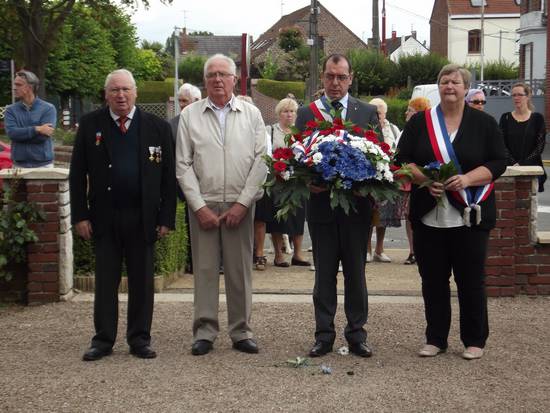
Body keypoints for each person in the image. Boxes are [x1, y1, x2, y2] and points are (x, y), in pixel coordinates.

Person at [397, 64, 507, 360]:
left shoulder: (483, 123)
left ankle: (474, 340)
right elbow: (402, 160)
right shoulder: (420, 123)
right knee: (432, 280)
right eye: (444, 81)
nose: (449, 87)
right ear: (438, 86)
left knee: (471, 280)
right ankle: (435, 338)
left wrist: (468, 179)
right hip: (428, 215)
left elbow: (499, 162)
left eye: (455, 82)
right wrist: (424, 180)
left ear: (465, 88)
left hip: (470, 214)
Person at [69, 69, 176, 361]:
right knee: (105, 282)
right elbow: (77, 174)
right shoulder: (91, 125)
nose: (120, 95)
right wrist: (80, 216)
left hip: (144, 217)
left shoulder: (157, 127)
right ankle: (103, 340)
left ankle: (139, 339)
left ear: (136, 93)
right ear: (106, 94)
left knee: (142, 282)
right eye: (115, 90)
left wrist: (166, 218)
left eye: (126, 90)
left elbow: (169, 177)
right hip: (104, 217)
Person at [176, 54, 267, 356]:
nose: (217, 79)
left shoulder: (252, 114)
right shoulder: (190, 116)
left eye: (223, 74)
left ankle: (241, 331)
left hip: (239, 204)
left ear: (234, 79)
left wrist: (243, 203)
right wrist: (198, 206)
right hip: (203, 202)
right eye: (212, 74)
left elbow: (262, 161)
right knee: (203, 269)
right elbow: (183, 165)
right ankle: (204, 331)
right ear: (205, 81)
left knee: (240, 270)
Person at [296, 53, 378, 358]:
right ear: (323, 77)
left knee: (356, 274)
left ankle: (357, 335)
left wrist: (366, 182)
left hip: (356, 209)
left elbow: (380, 156)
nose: (335, 83)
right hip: (321, 208)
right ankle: (324, 335)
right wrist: (307, 181)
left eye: (341, 77)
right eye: (330, 76)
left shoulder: (366, 112)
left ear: (350, 78)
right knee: (324, 275)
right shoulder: (307, 114)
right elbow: (296, 159)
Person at [266, 97, 311, 268]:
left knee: (298, 216)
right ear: (279, 113)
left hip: (297, 181)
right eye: (285, 111)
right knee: (278, 217)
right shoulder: (270, 131)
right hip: (277, 179)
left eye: (292, 111)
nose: (289, 114)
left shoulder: (299, 132)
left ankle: (298, 254)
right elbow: (267, 152)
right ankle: (278, 255)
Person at [367, 97, 401, 263]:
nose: (377, 115)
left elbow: (398, 149)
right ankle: (367, 249)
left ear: (385, 113)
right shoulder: (366, 128)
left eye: (380, 112)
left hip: (388, 177)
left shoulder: (393, 129)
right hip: (369, 176)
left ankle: (379, 250)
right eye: (374, 112)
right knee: (367, 214)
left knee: (384, 215)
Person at [400, 97, 432, 265]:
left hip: (423, 180)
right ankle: (413, 250)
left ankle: (419, 251)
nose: (406, 112)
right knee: (409, 214)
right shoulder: (408, 130)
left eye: (410, 110)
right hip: (409, 178)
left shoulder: (426, 131)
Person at [499, 82, 547, 192]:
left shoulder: (537, 119)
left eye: (520, 95)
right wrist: (513, 163)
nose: (516, 98)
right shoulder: (505, 118)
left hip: (532, 170)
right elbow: (501, 144)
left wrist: (522, 164)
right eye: (514, 95)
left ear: (528, 96)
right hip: (509, 169)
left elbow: (539, 147)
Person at [5, 70, 57, 168]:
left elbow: (43, 137)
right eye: (14, 84)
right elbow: (12, 134)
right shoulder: (10, 110)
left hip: (43, 165)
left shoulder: (48, 108)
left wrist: (21, 135)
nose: (14, 88)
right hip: (19, 165)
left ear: (29, 87)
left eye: (18, 85)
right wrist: (37, 129)